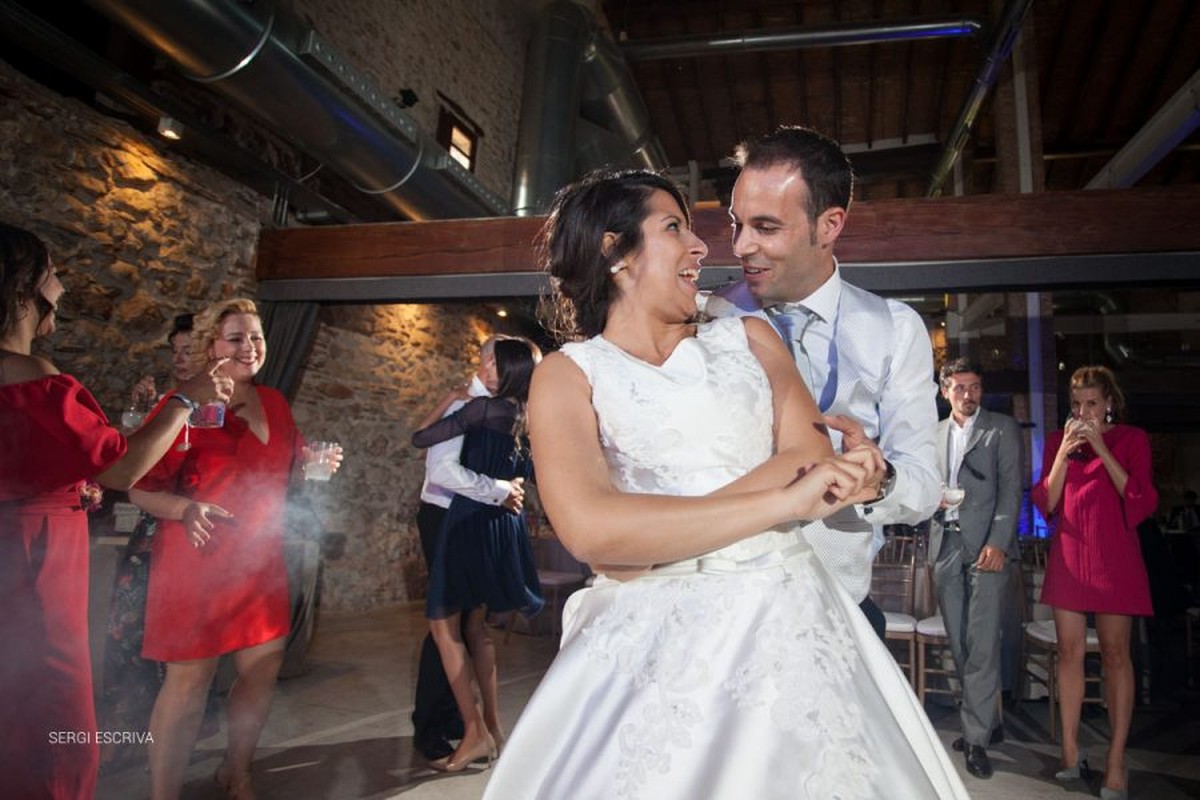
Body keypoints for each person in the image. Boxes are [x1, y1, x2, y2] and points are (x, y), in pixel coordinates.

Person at [481, 170, 968, 799]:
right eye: (674, 227)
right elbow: (589, 528)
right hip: (648, 646)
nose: (702, 247)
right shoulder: (569, 376)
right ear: (614, 252)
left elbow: (807, 455)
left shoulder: (749, 336)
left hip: (786, 616)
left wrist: (648, 542)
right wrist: (779, 503)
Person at [0, 223, 230, 800]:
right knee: (53, 721)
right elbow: (122, 468)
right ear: (24, 289)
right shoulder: (35, 380)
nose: (63, 287)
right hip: (33, 571)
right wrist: (185, 399)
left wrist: (66, 486)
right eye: (53, 274)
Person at [705, 125, 941, 640]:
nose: (742, 246)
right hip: (720, 608)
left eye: (766, 227)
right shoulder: (707, 318)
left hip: (840, 612)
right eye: (736, 224)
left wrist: (879, 483)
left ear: (829, 224)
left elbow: (924, 482)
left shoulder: (895, 328)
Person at [128, 297, 340, 800]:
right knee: (189, 684)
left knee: (261, 671)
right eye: (236, 338)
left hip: (259, 559)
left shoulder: (277, 403)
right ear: (210, 347)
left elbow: (284, 479)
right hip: (196, 557)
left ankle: (237, 772)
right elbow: (136, 485)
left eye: (257, 337)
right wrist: (185, 509)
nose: (250, 347)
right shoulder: (182, 404)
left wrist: (317, 468)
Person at [410, 337, 545, 772]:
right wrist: (505, 488)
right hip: (454, 519)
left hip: (466, 522)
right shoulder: (498, 409)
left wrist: (499, 489)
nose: (489, 366)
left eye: (496, 361)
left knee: (449, 626)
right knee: (468, 627)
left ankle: (470, 728)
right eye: (487, 358)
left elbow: (437, 461)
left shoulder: (479, 408)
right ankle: (482, 726)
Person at [1032, 365, 1156, 800]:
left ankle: (1116, 761)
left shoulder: (1131, 439)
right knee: (1068, 652)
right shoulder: (1056, 444)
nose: (1083, 412)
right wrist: (1065, 451)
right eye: (1076, 405)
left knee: (1116, 654)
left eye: (1091, 404)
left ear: (1109, 404)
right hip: (1070, 554)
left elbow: (1137, 496)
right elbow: (1047, 500)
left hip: (1114, 557)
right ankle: (1070, 750)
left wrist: (1102, 448)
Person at [100, 313, 205, 773]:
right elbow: (130, 467)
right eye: (175, 351)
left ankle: (174, 735)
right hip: (149, 534)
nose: (180, 359)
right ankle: (127, 734)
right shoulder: (170, 403)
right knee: (126, 636)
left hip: (193, 537)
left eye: (189, 350)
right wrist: (140, 417)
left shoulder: (215, 407)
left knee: (180, 652)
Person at [928, 358, 1022, 779]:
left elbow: (1010, 492)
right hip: (945, 544)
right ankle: (987, 719)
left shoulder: (1001, 428)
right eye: (961, 387)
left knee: (982, 643)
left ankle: (976, 740)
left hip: (987, 549)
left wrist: (998, 544)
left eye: (976, 387)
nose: (969, 395)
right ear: (945, 390)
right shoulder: (933, 434)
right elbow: (924, 486)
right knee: (961, 644)